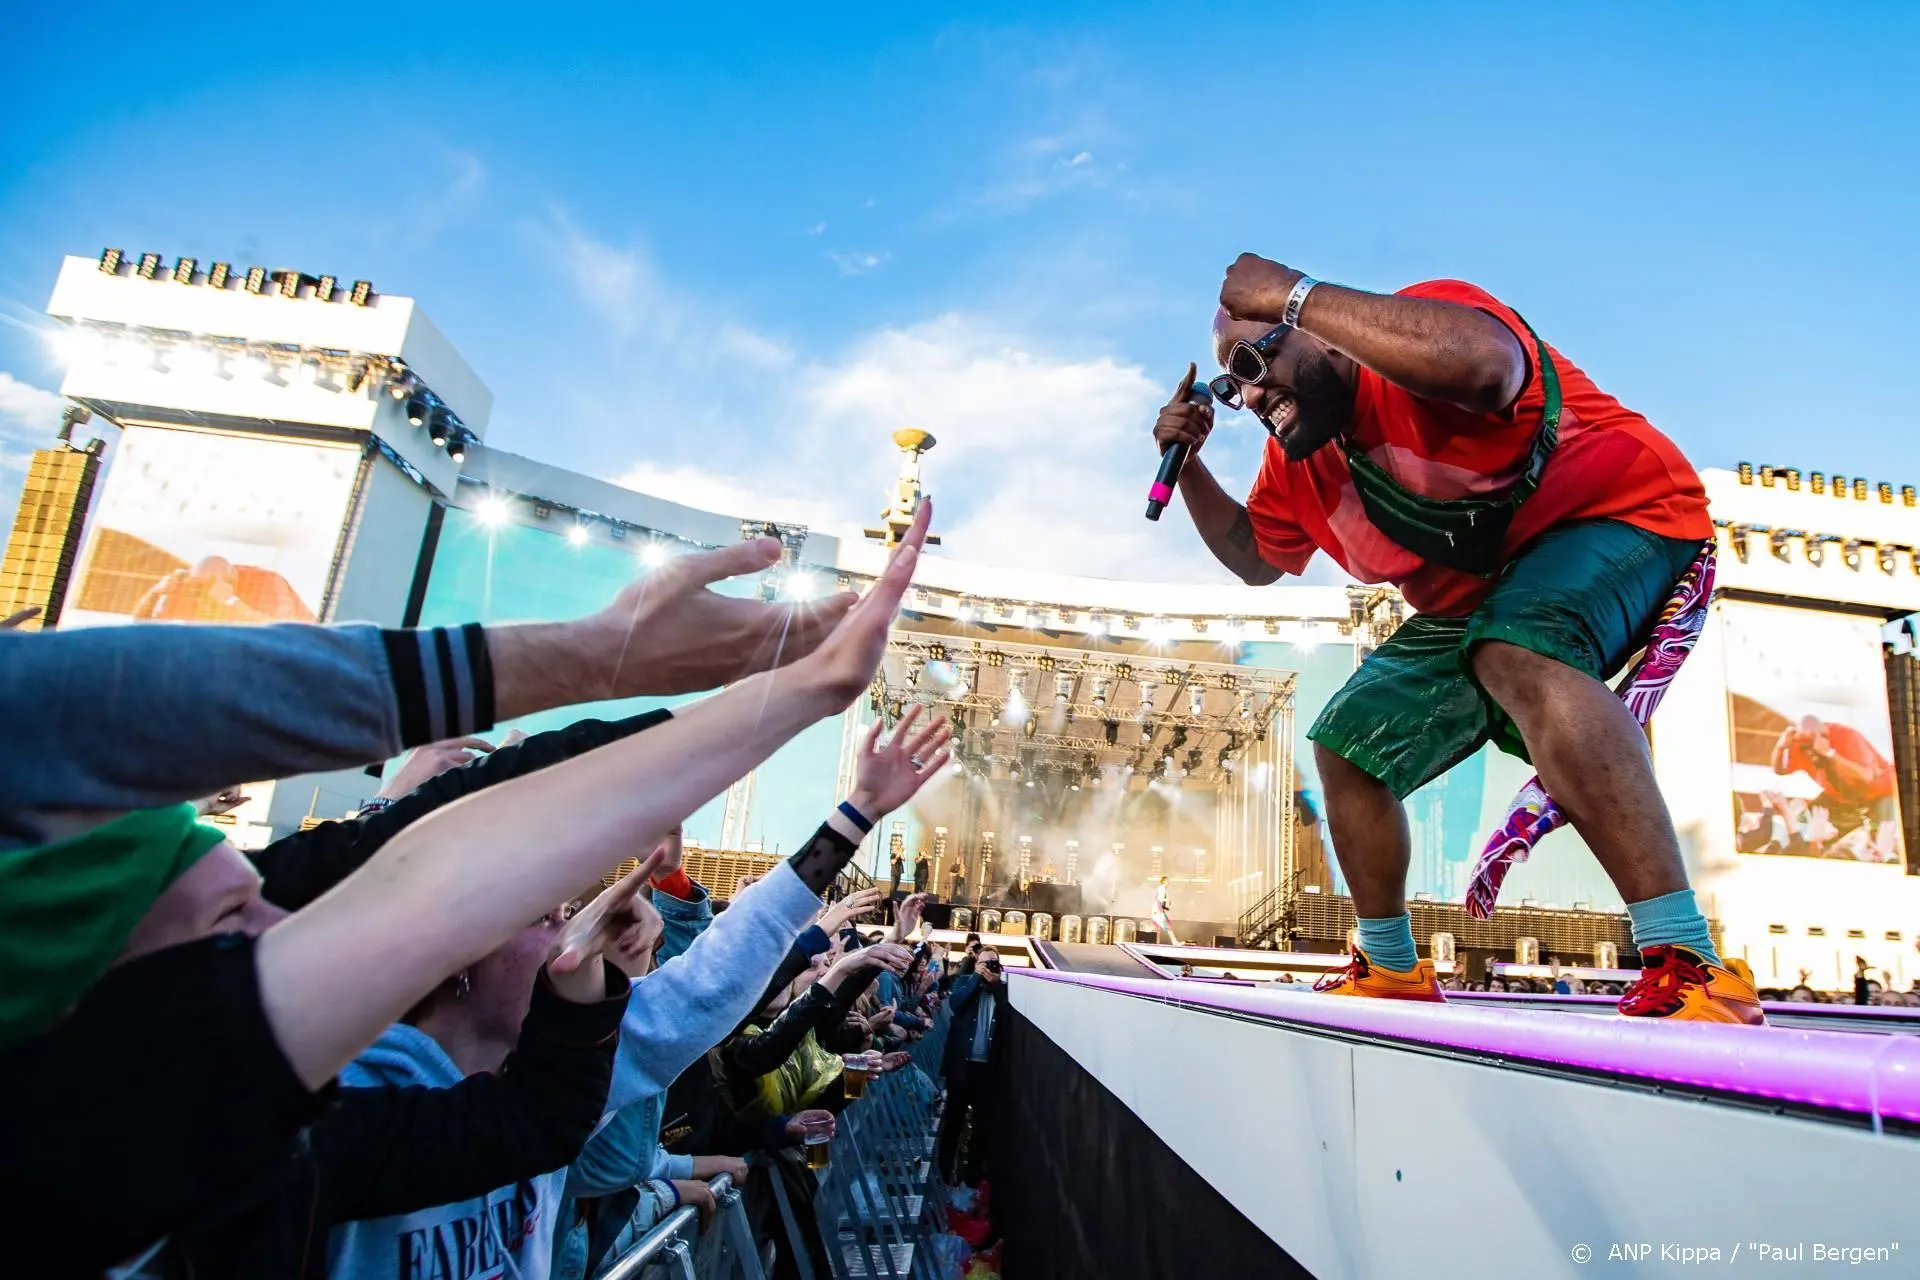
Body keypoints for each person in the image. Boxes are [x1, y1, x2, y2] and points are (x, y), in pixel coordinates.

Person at [1, 503, 933, 1274]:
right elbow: (421, 875)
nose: (280, 915)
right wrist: (768, 694)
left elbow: (413, 865)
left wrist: (612, 654)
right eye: (235, 917)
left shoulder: (362, 1133)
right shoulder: (133, 1162)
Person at [1153, 254, 1759, 1024]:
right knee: (1348, 742)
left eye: (1252, 361)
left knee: (1517, 647)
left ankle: (1689, 962)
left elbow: (1487, 367)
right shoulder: (1296, 467)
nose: (1248, 393)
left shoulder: (1415, 334)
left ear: (1324, 336)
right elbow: (1253, 556)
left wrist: (1293, 293)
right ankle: (1390, 966)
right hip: (1487, 601)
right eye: (1229, 386)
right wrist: (1194, 464)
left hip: (1619, 514)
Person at [1772, 717, 1898, 858]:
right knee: (1813, 826)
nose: (1809, 753)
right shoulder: (1801, 743)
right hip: (1841, 798)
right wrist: (1781, 746)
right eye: (1804, 747)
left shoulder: (1848, 737)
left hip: (1879, 793)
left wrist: (1830, 754)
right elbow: (1780, 770)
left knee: (1881, 843)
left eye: (1811, 745)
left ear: (1823, 736)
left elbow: (1867, 777)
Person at [938, 947, 1008, 1184]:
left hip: (987, 1070)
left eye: (994, 963)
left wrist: (996, 985)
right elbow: (956, 1004)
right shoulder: (965, 981)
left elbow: (1008, 1016)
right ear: (976, 963)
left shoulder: (1003, 989)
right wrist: (976, 977)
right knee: (953, 1123)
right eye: (985, 963)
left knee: (982, 1126)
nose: (989, 967)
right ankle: (945, 1175)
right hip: (961, 1067)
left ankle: (973, 1180)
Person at [1150, 875, 1182, 944]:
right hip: (1158, 911)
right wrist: (1168, 900)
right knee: (1167, 926)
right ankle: (1175, 942)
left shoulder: (1161, 888)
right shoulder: (1162, 888)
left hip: (1157, 910)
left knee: (1162, 926)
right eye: (1167, 881)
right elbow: (1160, 899)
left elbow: (1159, 900)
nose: (1168, 883)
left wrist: (1165, 907)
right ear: (1164, 881)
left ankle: (1155, 942)